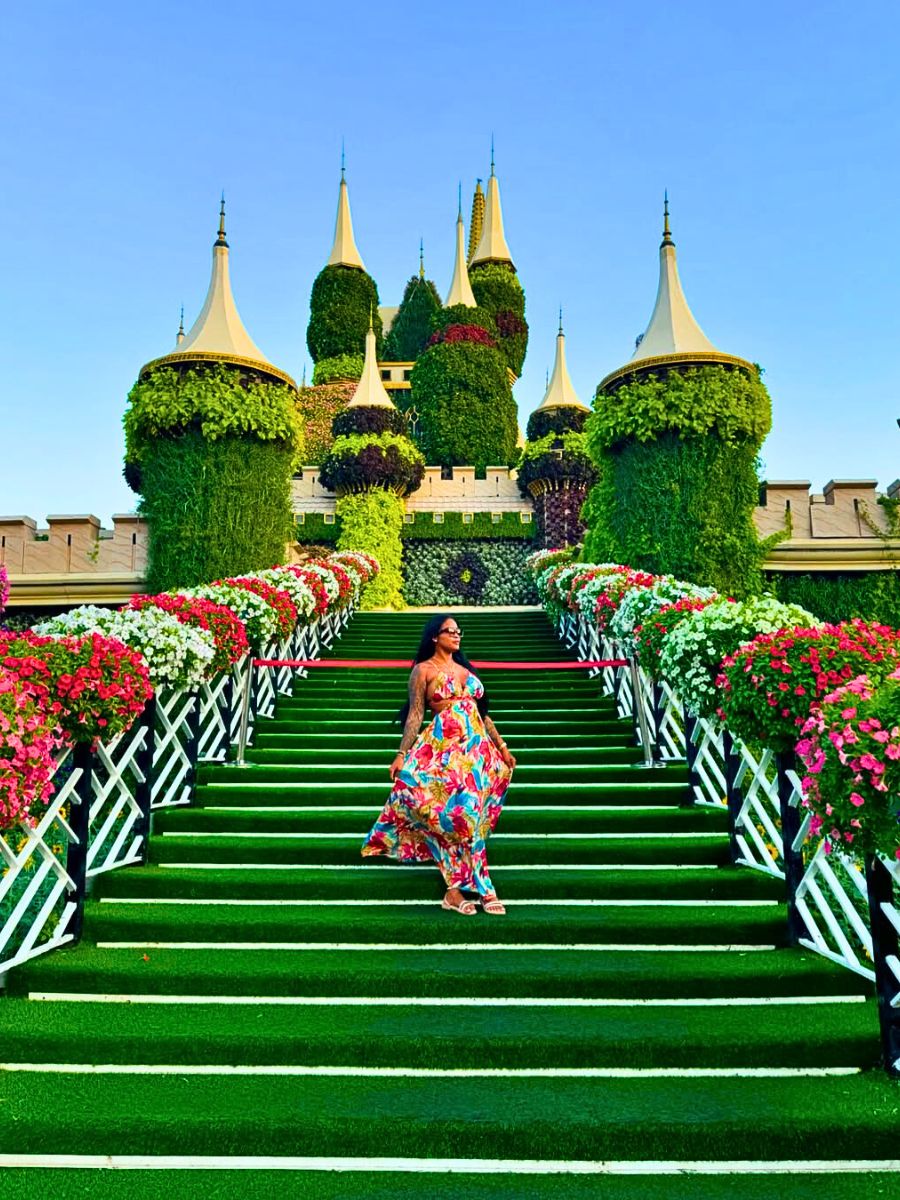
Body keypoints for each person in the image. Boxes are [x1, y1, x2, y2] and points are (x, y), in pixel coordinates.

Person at [361, 614, 516, 915]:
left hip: (477, 755)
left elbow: (481, 714)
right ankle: (482, 889)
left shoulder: (465, 670)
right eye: (450, 631)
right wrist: (401, 754)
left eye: (459, 631)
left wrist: (502, 746)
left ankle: (454, 893)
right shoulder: (423, 670)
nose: (457, 635)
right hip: (443, 753)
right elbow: (416, 715)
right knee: (458, 815)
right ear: (435, 636)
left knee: (472, 818)